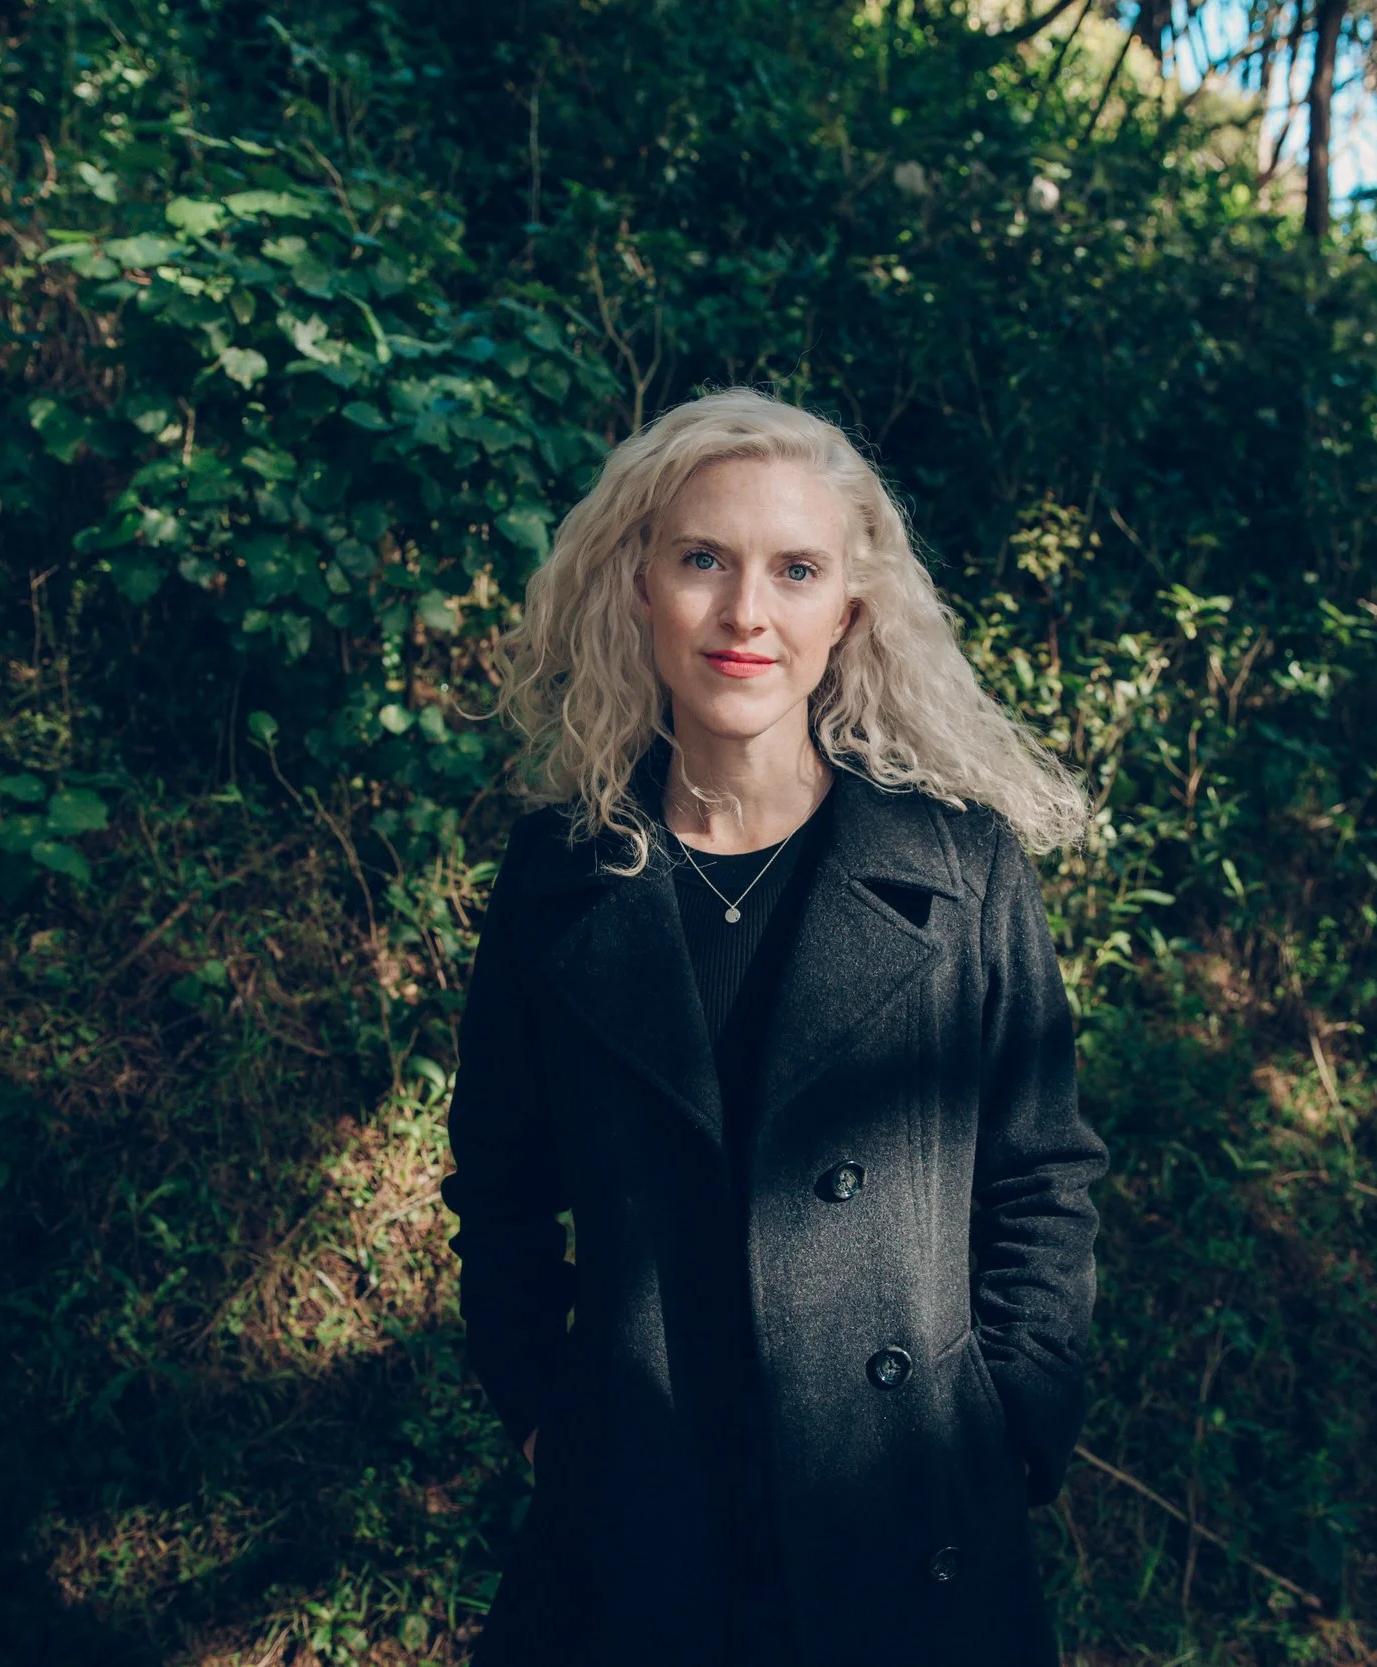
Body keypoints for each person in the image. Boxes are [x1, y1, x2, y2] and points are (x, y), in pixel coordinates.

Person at [441, 389, 1105, 1667]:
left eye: (794, 569)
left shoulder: (959, 868)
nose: (747, 612)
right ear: (639, 584)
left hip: (910, 1519)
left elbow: (1042, 1173)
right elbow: (503, 1186)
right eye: (704, 559)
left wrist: (1013, 1416)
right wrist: (545, 1414)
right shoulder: (556, 879)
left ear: (847, 608)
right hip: (637, 1521)